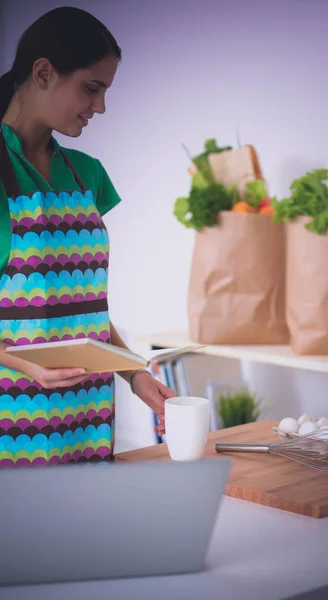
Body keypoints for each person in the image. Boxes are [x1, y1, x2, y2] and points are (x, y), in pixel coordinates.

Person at [0, 7, 175, 467]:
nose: (100, 107)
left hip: (88, 419)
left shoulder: (87, 175)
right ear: (43, 72)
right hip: (13, 418)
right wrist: (24, 364)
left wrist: (133, 372)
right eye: (92, 89)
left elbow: (83, 306)